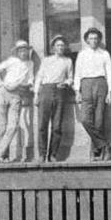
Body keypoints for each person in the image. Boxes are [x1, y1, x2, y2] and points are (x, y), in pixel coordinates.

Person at [74, 27, 111, 161]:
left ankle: (97, 152)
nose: (93, 41)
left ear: (99, 40)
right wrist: (77, 91)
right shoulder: (82, 54)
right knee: (85, 119)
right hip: (86, 85)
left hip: (101, 84)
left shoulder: (104, 54)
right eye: (91, 38)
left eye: (96, 38)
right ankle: (106, 144)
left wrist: (110, 92)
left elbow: (109, 73)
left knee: (98, 122)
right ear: (86, 40)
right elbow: (77, 73)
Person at [0, 39, 35, 162]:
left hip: (17, 94)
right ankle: (4, 156)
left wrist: (29, 84)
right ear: (17, 52)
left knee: (13, 125)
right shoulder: (12, 61)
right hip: (3, 92)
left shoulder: (30, 64)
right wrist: (0, 83)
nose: (23, 53)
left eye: (25, 50)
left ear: (28, 51)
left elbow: (31, 78)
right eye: (21, 50)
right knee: (2, 126)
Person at [34, 34, 74, 162]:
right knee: (42, 125)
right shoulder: (46, 60)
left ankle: (53, 154)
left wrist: (66, 83)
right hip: (46, 90)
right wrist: (36, 94)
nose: (60, 47)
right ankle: (42, 154)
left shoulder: (68, 61)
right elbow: (39, 77)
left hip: (60, 91)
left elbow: (70, 77)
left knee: (57, 126)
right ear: (53, 47)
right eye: (58, 45)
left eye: (62, 45)